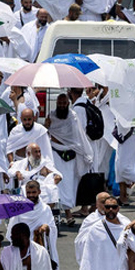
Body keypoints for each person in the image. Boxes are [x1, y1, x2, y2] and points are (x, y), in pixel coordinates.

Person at [46, 92, 93, 225]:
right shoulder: (51, 115)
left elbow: (76, 135)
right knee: (58, 182)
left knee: (69, 184)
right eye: (59, 103)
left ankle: (67, 211)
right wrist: (47, 125)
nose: (61, 105)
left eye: (64, 103)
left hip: (71, 153)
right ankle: (66, 214)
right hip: (55, 152)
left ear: (68, 103)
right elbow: (47, 134)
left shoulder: (73, 116)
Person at [7, 180, 62, 270]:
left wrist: (46, 228)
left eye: (33, 192)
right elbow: (11, 231)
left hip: (40, 250)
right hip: (22, 251)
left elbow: (53, 230)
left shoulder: (45, 209)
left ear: (39, 192)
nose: (31, 195)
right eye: (28, 193)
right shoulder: (19, 209)